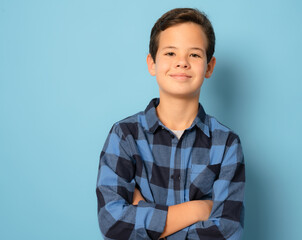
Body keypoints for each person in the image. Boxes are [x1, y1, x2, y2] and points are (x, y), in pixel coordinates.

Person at [96, 8, 245, 240]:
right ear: (152, 63)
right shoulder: (124, 136)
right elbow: (112, 222)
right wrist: (197, 209)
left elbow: (227, 231)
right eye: (170, 53)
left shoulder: (226, 144)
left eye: (194, 55)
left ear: (209, 66)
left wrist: (142, 212)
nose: (182, 63)